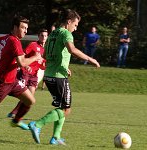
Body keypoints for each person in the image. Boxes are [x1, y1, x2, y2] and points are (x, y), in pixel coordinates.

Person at [28, 9, 100, 145]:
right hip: (58, 77)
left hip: (49, 75)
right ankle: (37, 125)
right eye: (75, 24)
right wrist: (91, 59)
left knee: (63, 106)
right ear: (68, 22)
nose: (76, 28)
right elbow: (72, 50)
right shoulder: (66, 33)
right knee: (66, 109)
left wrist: (62, 66)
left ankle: (55, 137)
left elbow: (45, 56)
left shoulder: (53, 34)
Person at [7, 28, 48, 120]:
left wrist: (45, 65)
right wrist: (25, 66)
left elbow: (42, 65)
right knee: (23, 93)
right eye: (42, 35)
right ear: (38, 36)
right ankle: (13, 111)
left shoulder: (46, 50)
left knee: (30, 96)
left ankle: (15, 113)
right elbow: (23, 56)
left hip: (34, 75)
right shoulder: (33, 45)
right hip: (25, 72)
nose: (43, 37)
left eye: (45, 36)